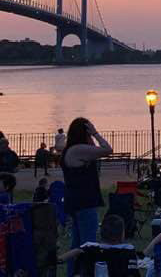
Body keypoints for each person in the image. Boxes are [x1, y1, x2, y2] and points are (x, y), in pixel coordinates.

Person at [61, 118, 113, 277]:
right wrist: (95, 133)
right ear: (84, 132)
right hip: (84, 203)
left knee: (77, 244)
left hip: (77, 202)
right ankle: (85, 273)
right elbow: (107, 149)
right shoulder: (78, 150)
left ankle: (73, 273)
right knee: (89, 245)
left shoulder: (70, 149)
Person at [57, 213, 138, 277]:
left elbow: (76, 251)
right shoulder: (128, 250)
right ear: (122, 234)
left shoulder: (90, 246)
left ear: (101, 233)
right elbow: (132, 273)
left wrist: (59, 259)